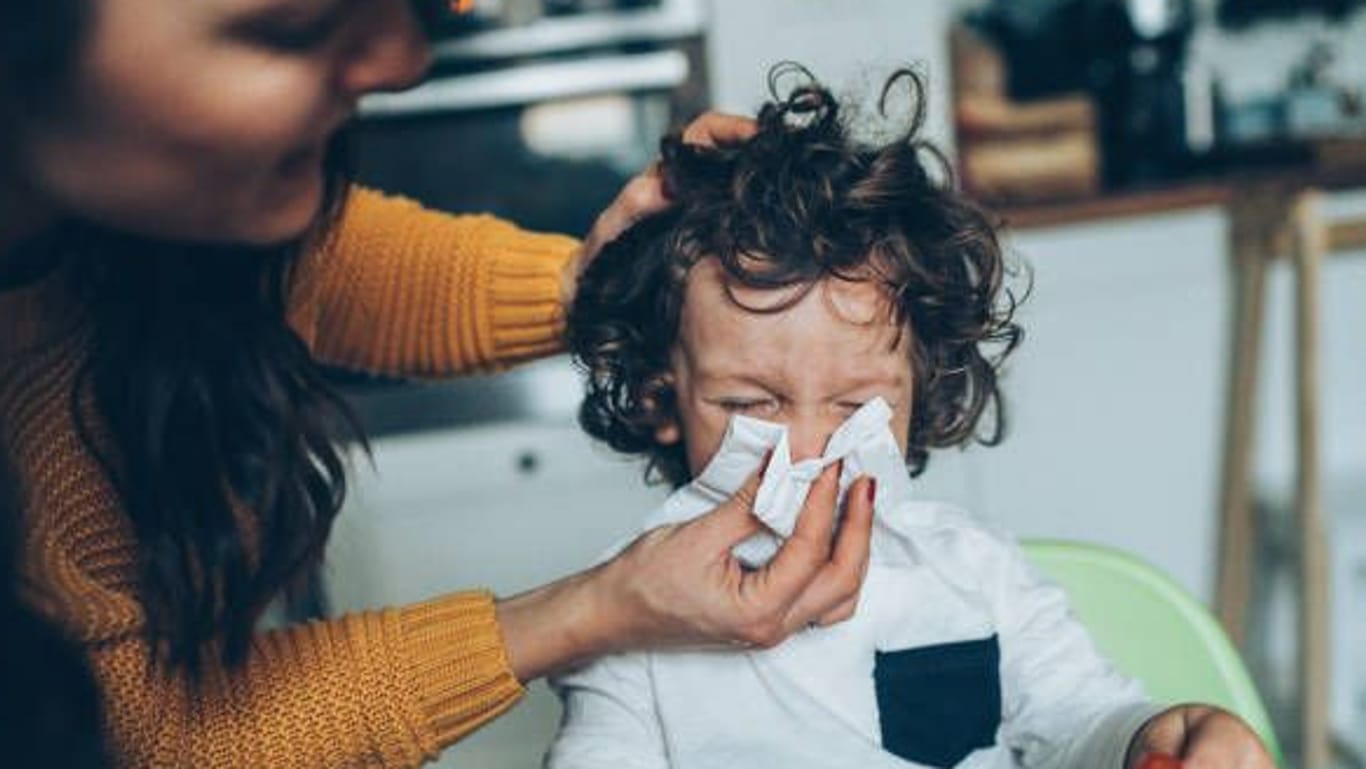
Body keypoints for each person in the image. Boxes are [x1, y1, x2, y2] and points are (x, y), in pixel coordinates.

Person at [0, 2, 874, 766]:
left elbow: (328, 268)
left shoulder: (155, 219)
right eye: (294, 24)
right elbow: (142, 740)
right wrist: (596, 607)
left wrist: (604, 283)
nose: (404, 60)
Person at [549, 67, 1276, 768]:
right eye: (748, 404)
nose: (808, 452)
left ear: (919, 392)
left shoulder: (973, 575)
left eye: (856, 406)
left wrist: (1156, 737)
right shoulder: (629, 618)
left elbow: (1079, 723)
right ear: (658, 396)